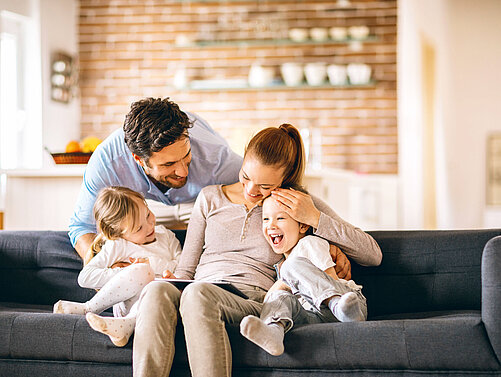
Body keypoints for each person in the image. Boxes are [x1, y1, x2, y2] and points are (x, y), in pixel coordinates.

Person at [132, 123, 382, 377]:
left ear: (283, 181)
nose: (251, 190)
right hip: (198, 288)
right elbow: (187, 268)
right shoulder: (209, 198)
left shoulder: (292, 206)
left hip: (249, 298)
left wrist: (316, 218)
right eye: (246, 177)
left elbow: (373, 254)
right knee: (156, 291)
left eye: (264, 186)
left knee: (198, 294)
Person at [68, 97, 242, 259]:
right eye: (168, 164)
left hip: (201, 202)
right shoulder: (108, 161)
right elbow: (82, 227)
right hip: (146, 209)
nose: (183, 172)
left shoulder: (217, 158)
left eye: (187, 155)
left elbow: (260, 187)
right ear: (139, 159)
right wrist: (110, 266)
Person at [240, 187, 367, 356]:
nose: (271, 224)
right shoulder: (281, 264)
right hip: (316, 315)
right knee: (281, 297)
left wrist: (283, 281)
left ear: (302, 225)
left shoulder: (310, 244)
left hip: (348, 304)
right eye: (265, 219)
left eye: (280, 218)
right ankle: (274, 331)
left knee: (290, 269)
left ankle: (338, 306)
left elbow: (331, 279)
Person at [54, 186, 181, 347]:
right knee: (142, 271)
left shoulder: (166, 235)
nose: (150, 226)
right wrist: (127, 271)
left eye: (148, 215)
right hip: (128, 303)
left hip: (160, 302)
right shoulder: (118, 245)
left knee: (156, 284)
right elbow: (85, 277)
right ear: (118, 234)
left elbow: (183, 265)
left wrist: (158, 268)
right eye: (139, 228)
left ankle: (125, 327)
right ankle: (89, 308)